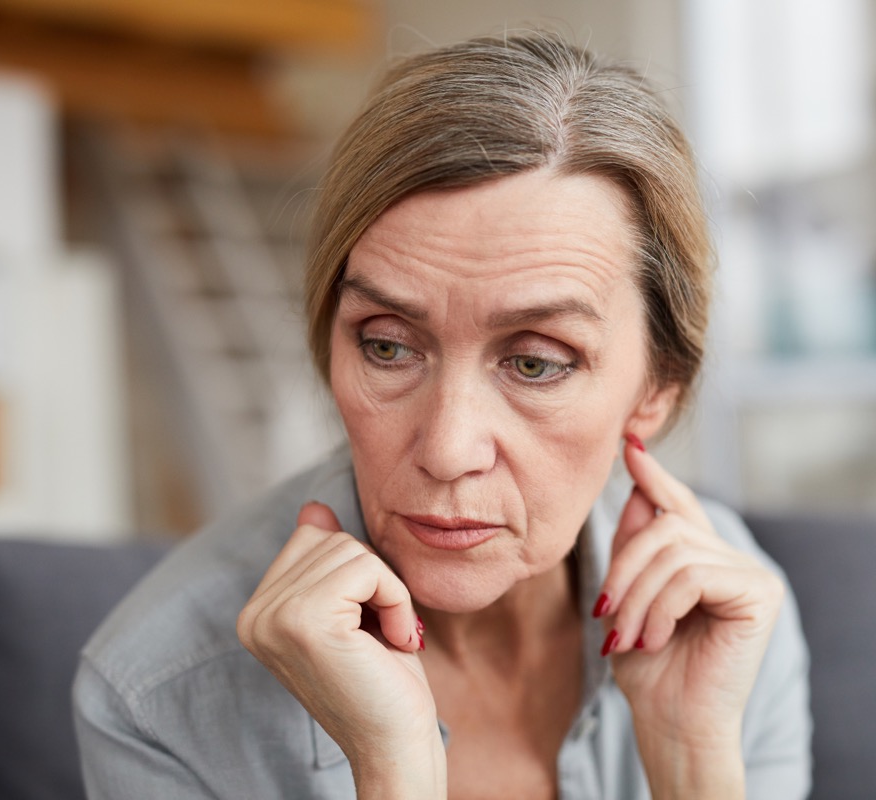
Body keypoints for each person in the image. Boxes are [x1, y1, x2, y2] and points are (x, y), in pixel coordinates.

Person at [74, 32, 811, 799]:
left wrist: (692, 759)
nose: (448, 449)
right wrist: (395, 769)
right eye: (389, 348)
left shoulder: (727, 615)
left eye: (535, 362)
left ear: (656, 390)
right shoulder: (155, 695)